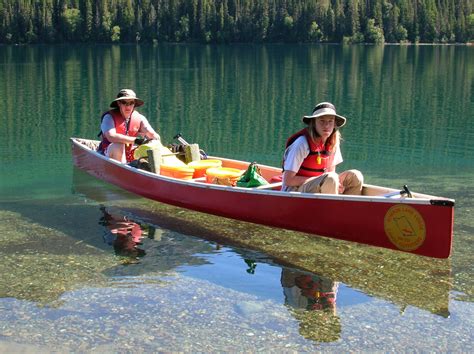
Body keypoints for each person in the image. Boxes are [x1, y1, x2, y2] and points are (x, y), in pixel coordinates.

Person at [282, 102, 363, 194]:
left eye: (330, 121)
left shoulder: (333, 142)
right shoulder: (301, 143)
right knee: (331, 178)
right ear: (313, 123)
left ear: (334, 124)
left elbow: (331, 171)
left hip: (324, 184)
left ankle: (347, 207)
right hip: (295, 190)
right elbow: (288, 180)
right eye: (321, 121)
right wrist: (325, 180)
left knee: (356, 176)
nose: (326, 125)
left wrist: (336, 183)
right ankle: (332, 206)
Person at [98, 89, 161, 163]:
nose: (128, 106)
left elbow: (152, 134)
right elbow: (111, 136)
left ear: (134, 104)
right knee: (119, 145)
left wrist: (154, 139)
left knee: (151, 146)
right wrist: (135, 140)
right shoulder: (109, 117)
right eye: (124, 102)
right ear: (119, 103)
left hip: (128, 155)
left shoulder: (139, 118)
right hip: (106, 154)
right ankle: (124, 170)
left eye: (131, 103)